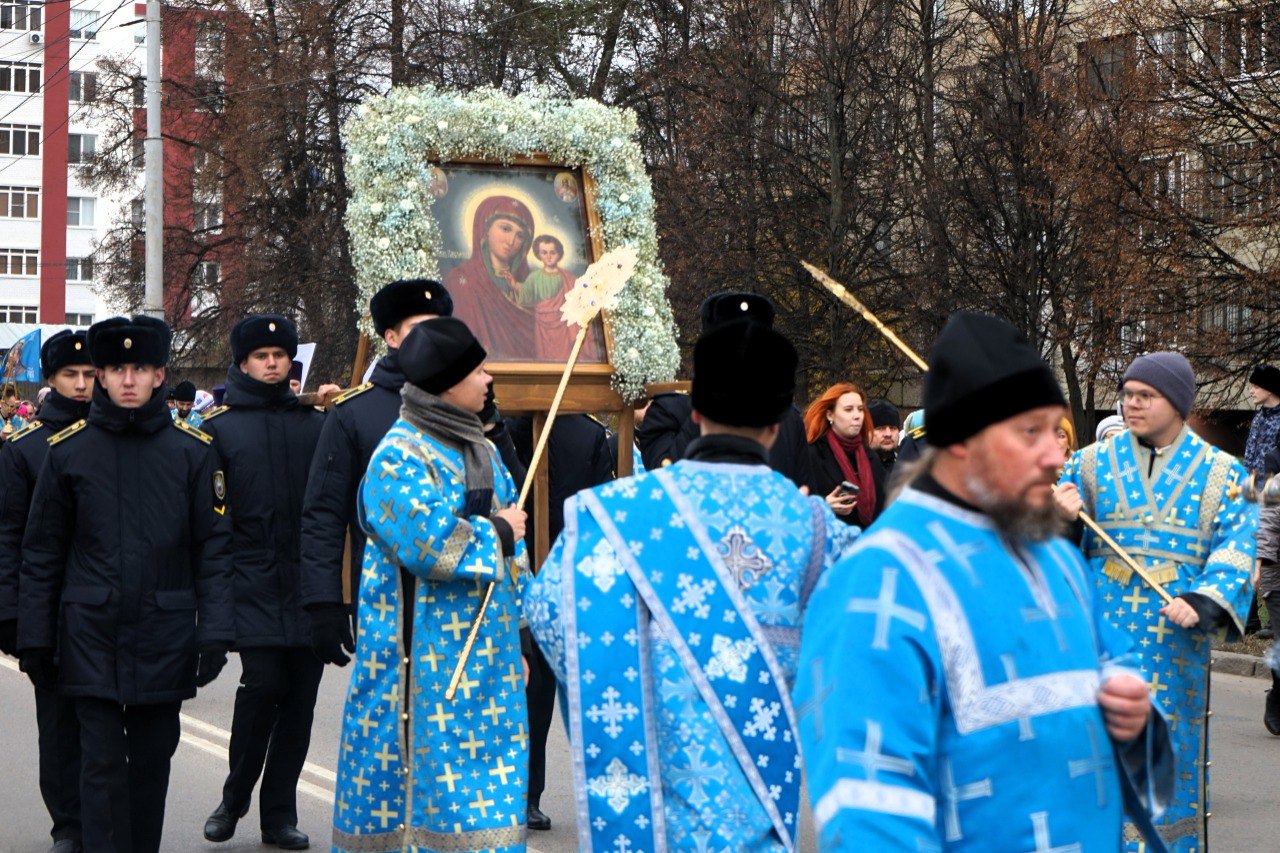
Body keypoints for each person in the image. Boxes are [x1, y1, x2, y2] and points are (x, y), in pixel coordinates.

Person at [797, 311, 1172, 851]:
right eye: (1031, 432)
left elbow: (1118, 666)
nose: (1056, 455)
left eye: (1056, 431)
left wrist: (1135, 716)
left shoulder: (1058, 560)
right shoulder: (875, 583)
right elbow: (873, 814)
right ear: (962, 441)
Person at [526, 319, 859, 851]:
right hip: (759, 807)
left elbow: (549, 612)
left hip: (650, 814)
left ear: (696, 410)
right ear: (780, 421)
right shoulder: (817, 531)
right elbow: (850, 665)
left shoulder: (616, 516)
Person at [17, 315, 234, 853]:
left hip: (165, 632)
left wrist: (215, 633)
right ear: (101, 375)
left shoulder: (193, 451)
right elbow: (43, 551)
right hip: (89, 633)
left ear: (160, 375)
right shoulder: (69, 451)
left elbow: (213, 549)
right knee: (100, 765)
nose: (128, 379)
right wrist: (35, 637)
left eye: (140, 368)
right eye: (116, 369)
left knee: (152, 763)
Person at [331, 317, 530, 853]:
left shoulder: (483, 450)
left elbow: (517, 557)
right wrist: (497, 533)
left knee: (492, 804)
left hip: (489, 664)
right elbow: (426, 543)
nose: (489, 379)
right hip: (421, 669)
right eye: (478, 370)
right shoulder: (400, 455)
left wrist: (523, 638)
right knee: (425, 804)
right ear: (447, 383)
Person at [1057, 351, 1256, 851]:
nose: (1132, 404)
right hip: (1100, 636)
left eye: (1145, 395)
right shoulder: (1087, 464)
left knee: (1167, 750)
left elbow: (1238, 546)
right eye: (1127, 394)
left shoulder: (1223, 473)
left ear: (1177, 402)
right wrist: (1058, 519)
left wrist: (1205, 599)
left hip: (1174, 640)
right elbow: (1049, 553)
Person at [199, 315, 326, 850]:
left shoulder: (317, 423)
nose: (272, 363)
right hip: (250, 582)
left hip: (308, 585)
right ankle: (234, 799)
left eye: (280, 355)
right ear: (243, 363)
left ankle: (279, 815)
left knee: (300, 704)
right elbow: (213, 520)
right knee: (263, 688)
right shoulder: (220, 429)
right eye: (261, 356)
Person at [300, 278, 453, 666]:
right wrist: (323, 602)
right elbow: (324, 514)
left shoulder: (469, 403)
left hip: (460, 596)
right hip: (386, 596)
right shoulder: (354, 412)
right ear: (391, 337)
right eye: (418, 329)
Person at [0, 330, 95, 853]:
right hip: (51, 611)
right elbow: (8, 536)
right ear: (52, 379)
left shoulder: (118, 439)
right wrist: (12, 615)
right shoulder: (25, 449)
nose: (81, 385)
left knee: (108, 727)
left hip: (107, 609)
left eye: (89, 374)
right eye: (69, 375)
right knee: (58, 729)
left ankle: (105, 818)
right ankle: (68, 826)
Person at [506, 413, 615, 832]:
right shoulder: (504, 425)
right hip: (517, 574)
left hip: (549, 578)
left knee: (537, 694)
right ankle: (513, 793)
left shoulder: (586, 432)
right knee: (521, 693)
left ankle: (526, 795)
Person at [636, 292, 813, 488]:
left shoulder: (787, 417)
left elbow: (803, 486)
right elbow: (662, 481)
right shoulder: (668, 411)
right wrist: (707, 405)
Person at [444, 195, 602, 362]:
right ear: (485, 230)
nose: (511, 241)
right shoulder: (462, 280)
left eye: (520, 235)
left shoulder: (533, 281)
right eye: (505, 229)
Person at [806, 382, 887, 527]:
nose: (857, 416)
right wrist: (824, 504)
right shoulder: (813, 454)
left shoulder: (871, 457)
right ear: (830, 415)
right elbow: (793, 504)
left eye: (860, 409)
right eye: (848, 410)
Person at [1244, 365, 1280, 477]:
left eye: (1256, 387)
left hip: (1272, 486)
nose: (1251, 391)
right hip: (1249, 484)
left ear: (1269, 390)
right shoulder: (1259, 417)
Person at [518, 235, 574, 306]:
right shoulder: (533, 277)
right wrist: (514, 285)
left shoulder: (569, 278)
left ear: (559, 254)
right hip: (540, 312)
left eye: (553, 253)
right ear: (538, 255)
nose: (548, 256)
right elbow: (526, 294)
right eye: (544, 253)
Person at [868, 399, 901, 475]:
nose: (888, 434)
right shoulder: (853, 466)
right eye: (880, 428)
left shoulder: (909, 463)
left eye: (893, 428)